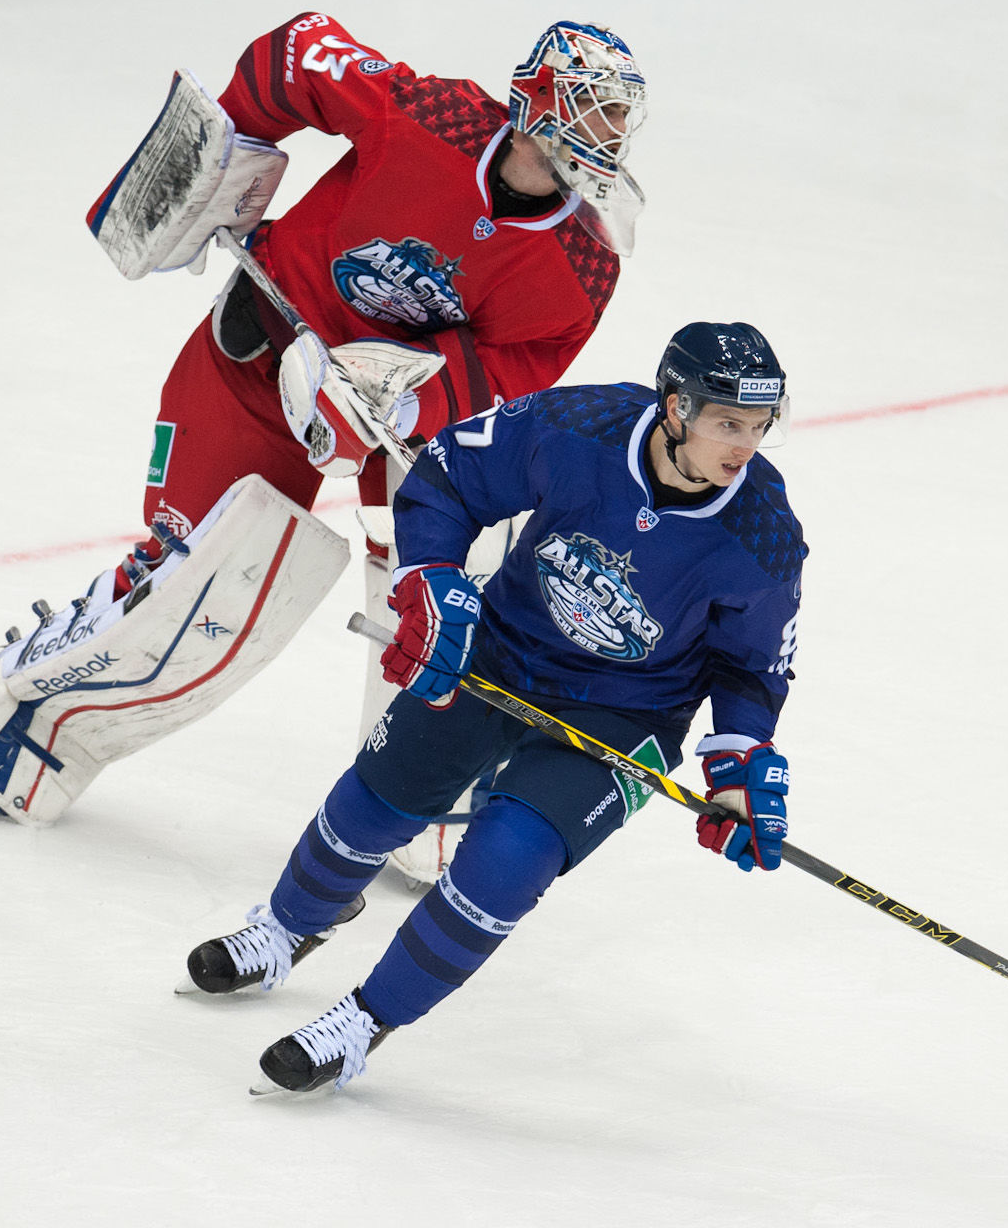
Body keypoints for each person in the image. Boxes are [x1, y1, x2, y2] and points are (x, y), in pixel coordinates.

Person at [0, 15, 649, 829]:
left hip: (394, 423)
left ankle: (424, 797)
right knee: (198, 573)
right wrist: (230, 151)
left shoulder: (585, 261)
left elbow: (517, 371)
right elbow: (299, 50)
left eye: (622, 116)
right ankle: (26, 718)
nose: (612, 132)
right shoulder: (437, 118)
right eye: (597, 106)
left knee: (451, 586)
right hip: (259, 354)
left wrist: (399, 398)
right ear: (536, 100)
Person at [181, 322, 807, 1094]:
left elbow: (753, 667)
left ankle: (363, 1022)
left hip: (627, 715)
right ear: (676, 407)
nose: (745, 444)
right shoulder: (582, 427)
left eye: (757, 425)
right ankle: (285, 928)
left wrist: (742, 758)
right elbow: (448, 476)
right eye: (727, 422)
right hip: (505, 650)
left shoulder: (764, 534)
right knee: (381, 801)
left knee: (508, 857)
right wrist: (434, 577)